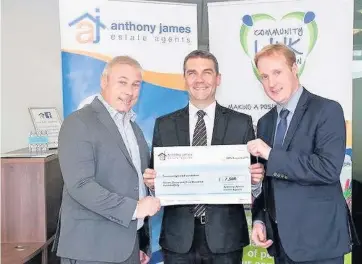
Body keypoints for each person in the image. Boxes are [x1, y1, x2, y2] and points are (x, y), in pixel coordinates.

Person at [143, 50, 264, 263]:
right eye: (192, 73)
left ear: (218, 79)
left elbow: (254, 184)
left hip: (226, 239)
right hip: (178, 239)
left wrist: (255, 180)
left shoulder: (241, 123)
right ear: (184, 79)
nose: (199, 80)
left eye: (207, 73)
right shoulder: (164, 125)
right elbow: (157, 181)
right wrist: (153, 184)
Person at [248, 43, 357, 264]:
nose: (271, 83)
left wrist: (271, 154)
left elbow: (328, 169)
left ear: (294, 68)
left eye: (277, 72)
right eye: (264, 76)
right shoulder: (265, 122)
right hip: (280, 243)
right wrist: (259, 220)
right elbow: (267, 180)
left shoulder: (327, 110)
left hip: (319, 243)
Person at [54, 56, 161, 264]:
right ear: (104, 82)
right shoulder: (78, 123)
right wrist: (135, 209)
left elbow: (134, 186)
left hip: (128, 248)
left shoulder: (134, 129)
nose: (129, 91)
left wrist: (140, 242)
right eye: (122, 82)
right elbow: (80, 185)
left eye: (135, 84)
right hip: (92, 251)